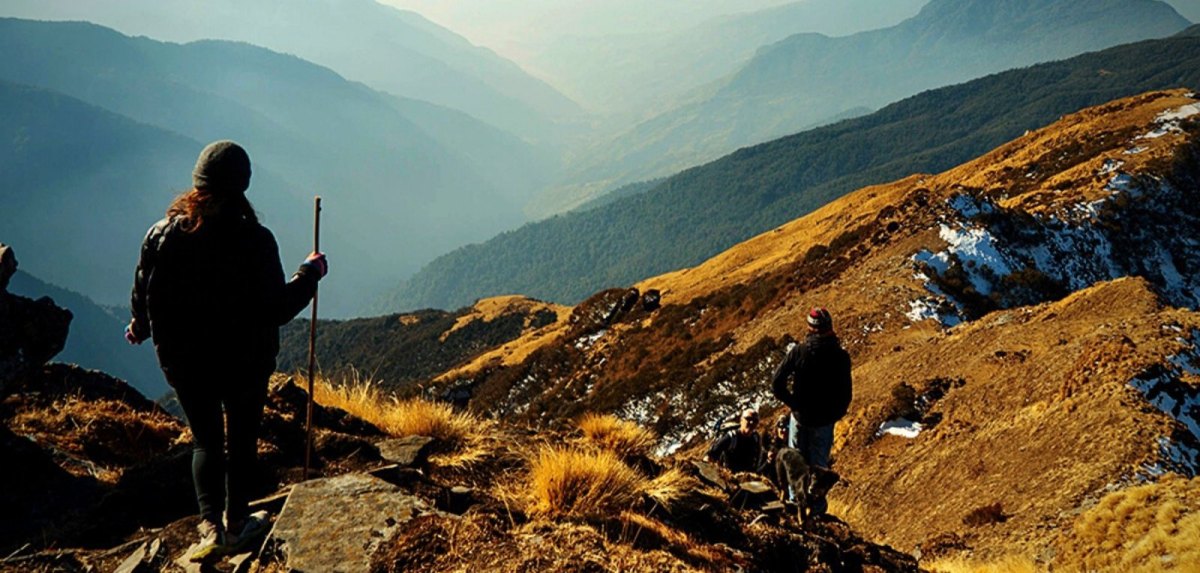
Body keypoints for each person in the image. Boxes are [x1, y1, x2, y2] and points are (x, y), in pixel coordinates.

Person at [126, 140, 328, 561]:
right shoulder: (254, 240)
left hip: (184, 361)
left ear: (198, 183)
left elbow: (145, 288)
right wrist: (309, 274)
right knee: (241, 440)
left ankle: (208, 525)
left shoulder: (162, 235)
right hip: (244, 361)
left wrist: (140, 327)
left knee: (205, 441)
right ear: (244, 185)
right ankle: (237, 525)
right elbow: (277, 307)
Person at [770, 307, 852, 515]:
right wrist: (834, 414)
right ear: (830, 328)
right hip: (823, 421)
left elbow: (776, 382)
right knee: (819, 465)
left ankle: (793, 504)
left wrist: (793, 404)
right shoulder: (840, 356)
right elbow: (846, 394)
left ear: (809, 328)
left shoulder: (799, 351)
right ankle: (816, 511)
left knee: (795, 461)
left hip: (800, 417)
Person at [704, 408, 763, 473]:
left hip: (748, 479)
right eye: (748, 419)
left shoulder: (756, 438)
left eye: (755, 421)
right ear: (741, 420)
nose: (752, 423)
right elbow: (710, 456)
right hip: (730, 478)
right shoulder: (732, 437)